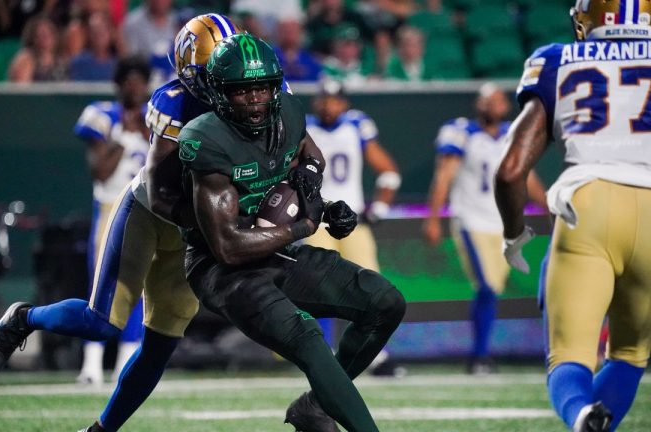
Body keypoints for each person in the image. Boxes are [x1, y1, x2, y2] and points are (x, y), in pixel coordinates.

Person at [0, 14, 241, 432]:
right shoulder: (170, 102)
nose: (234, 80)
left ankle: (101, 430)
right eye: (218, 69)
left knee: (159, 346)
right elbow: (156, 188)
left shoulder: (258, 96)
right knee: (102, 320)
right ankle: (23, 318)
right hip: (151, 213)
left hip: (193, 228)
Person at [177, 33, 406, 432]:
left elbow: (309, 157)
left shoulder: (289, 115)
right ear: (218, 93)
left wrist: (322, 202)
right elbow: (228, 247)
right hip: (222, 271)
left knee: (385, 302)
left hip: (278, 252)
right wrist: (302, 225)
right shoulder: (205, 137)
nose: (255, 100)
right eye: (242, 91)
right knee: (307, 336)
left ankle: (315, 407)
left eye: (263, 88)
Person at [495, 1, 651, 431]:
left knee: (568, 357)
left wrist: (514, 235)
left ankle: (582, 413)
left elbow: (510, 170)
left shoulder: (556, 60)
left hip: (590, 206)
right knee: (631, 355)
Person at [422, 82, 547, 375]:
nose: (494, 105)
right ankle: (478, 356)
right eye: (489, 100)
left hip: (502, 225)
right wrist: (433, 218)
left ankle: (480, 354)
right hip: (470, 221)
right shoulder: (462, 132)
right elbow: (444, 177)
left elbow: (527, 178)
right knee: (487, 288)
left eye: (499, 100)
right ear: (479, 104)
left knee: (492, 291)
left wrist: (550, 207)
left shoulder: (512, 134)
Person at [71, 55, 152, 386]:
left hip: (149, 212)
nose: (134, 86)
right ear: (118, 84)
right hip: (110, 208)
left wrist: (145, 131)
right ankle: (91, 366)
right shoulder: (101, 115)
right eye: (128, 79)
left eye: (140, 80)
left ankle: (124, 365)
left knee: (140, 290)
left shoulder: (158, 117)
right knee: (101, 289)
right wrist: (123, 136)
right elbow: (100, 171)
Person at [304, 79, 401, 351]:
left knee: (372, 284)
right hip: (316, 221)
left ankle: (373, 352)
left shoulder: (356, 126)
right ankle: (320, 351)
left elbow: (389, 172)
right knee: (316, 286)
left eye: (334, 99)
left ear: (344, 103)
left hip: (352, 219)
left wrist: (380, 207)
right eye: (324, 98)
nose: (328, 105)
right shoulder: (304, 128)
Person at [7, 15, 68, 83]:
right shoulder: (26, 59)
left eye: (49, 32)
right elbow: (19, 90)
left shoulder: (61, 60)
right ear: (32, 37)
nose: (46, 37)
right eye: (40, 34)